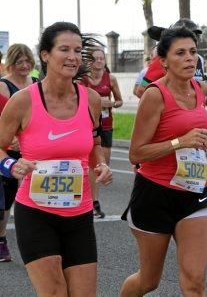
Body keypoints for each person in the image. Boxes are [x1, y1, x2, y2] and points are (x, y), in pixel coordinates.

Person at [0, 22, 112, 295]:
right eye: (64, 49)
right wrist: (11, 164)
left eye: (77, 50)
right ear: (45, 55)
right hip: (36, 214)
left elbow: (93, 143)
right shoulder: (23, 101)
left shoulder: (92, 99)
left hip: (79, 214)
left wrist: (100, 164)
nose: (73, 56)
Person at [121, 25, 207, 296]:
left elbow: (192, 130)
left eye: (193, 52)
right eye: (180, 53)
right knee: (148, 281)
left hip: (194, 191)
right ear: (164, 61)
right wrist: (181, 142)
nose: (190, 58)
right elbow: (136, 153)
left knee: (194, 281)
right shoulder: (154, 96)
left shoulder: (199, 89)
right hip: (155, 193)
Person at [0, 44, 40, 262]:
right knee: (6, 198)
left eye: (28, 62)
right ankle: (2, 238)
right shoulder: (3, 86)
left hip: (32, 150)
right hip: (8, 150)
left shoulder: (36, 84)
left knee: (31, 193)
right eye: (20, 62)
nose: (25, 66)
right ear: (11, 63)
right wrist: (12, 140)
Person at [82, 48, 123, 218]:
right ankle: (93, 202)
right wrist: (96, 102)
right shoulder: (82, 79)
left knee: (102, 164)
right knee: (92, 165)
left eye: (102, 58)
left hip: (106, 125)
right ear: (90, 61)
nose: (100, 61)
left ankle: (91, 199)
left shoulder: (110, 78)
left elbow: (119, 101)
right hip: (87, 126)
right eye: (96, 59)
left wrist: (109, 104)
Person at [136, 19, 207, 106]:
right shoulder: (163, 61)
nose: (190, 38)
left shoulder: (198, 59)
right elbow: (140, 91)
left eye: (194, 35)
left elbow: (199, 83)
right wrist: (174, 106)